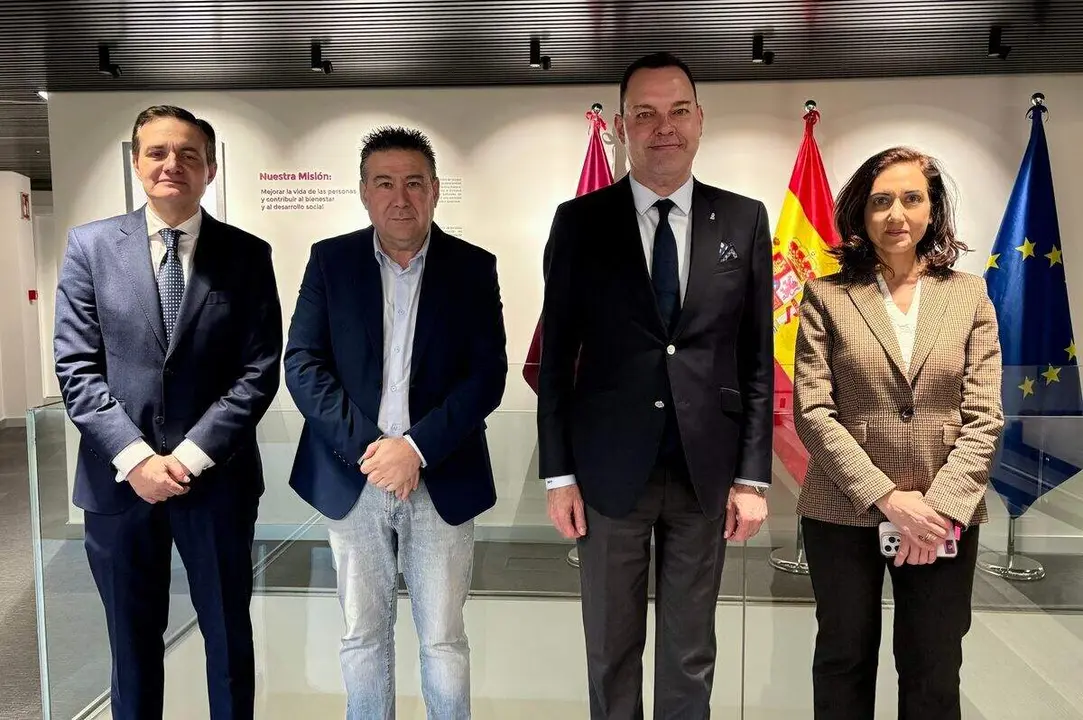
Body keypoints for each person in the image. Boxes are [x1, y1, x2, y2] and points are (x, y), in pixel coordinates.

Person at [538, 52, 773, 719]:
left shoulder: (742, 220)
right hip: (608, 473)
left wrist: (753, 479)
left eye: (676, 112)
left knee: (689, 649)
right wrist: (558, 477)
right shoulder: (579, 222)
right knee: (610, 649)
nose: (661, 127)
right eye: (643, 113)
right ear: (620, 126)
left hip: (707, 472)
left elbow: (756, 358)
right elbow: (556, 359)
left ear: (698, 121)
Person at [53, 105, 282, 720]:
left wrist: (185, 458)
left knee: (228, 638)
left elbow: (259, 371)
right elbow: (76, 368)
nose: (171, 165)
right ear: (135, 162)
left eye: (187, 154)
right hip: (119, 484)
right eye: (156, 152)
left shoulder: (248, 255)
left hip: (218, 482)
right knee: (131, 645)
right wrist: (136, 460)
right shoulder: (90, 247)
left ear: (210, 167)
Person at [284, 126, 507, 720]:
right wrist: (374, 451)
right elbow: (302, 364)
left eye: (414, 183)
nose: (400, 197)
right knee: (362, 635)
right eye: (384, 183)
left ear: (435, 191)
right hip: (352, 477)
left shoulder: (472, 268)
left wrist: (415, 449)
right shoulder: (330, 262)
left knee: (442, 639)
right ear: (363, 192)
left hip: (442, 478)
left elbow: (486, 377)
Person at [793, 146, 1004, 719]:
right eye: (880, 201)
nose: (896, 215)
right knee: (843, 658)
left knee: (933, 665)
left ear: (932, 209)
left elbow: (984, 416)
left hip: (944, 513)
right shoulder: (826, 296)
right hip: (843, 509)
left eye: (912, 198)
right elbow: (812, 411)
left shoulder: (969, 294)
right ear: (861, 214)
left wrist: (933, 510)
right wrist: (889, 500)